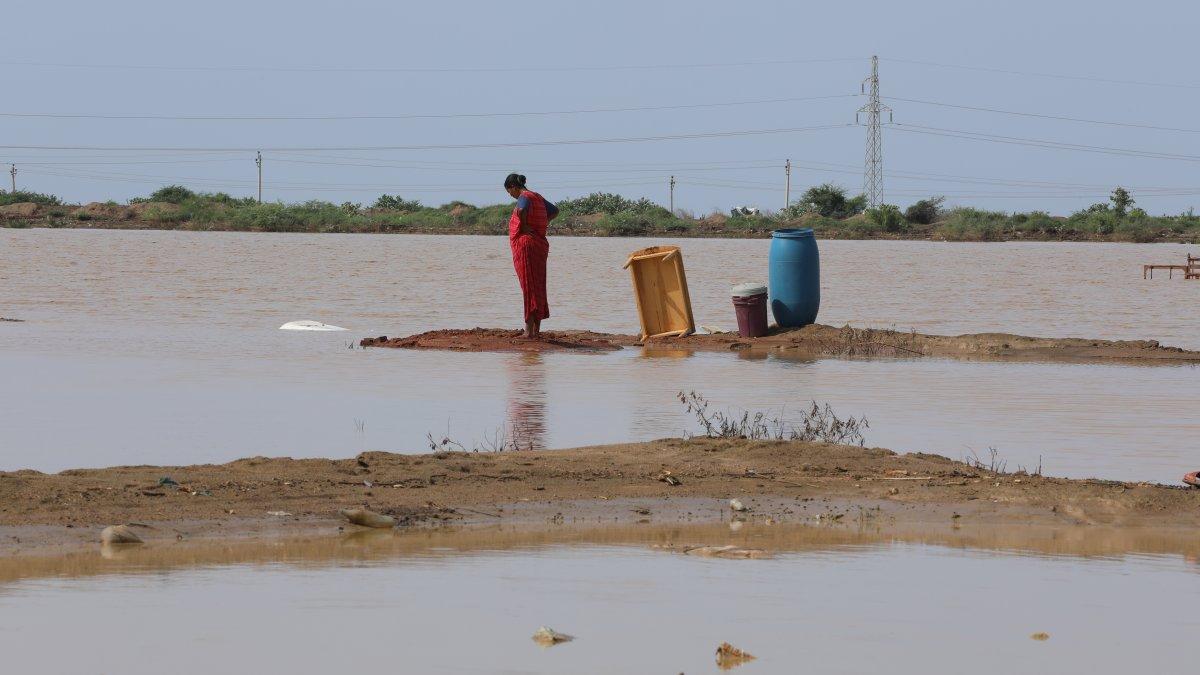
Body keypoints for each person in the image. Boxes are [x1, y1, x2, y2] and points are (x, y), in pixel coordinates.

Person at [505, 173, 557, 339]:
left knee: (529, 287)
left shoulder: (524, 196)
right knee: (538, 286)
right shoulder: (537, 197)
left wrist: (526, 225)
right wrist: (541, 223)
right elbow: (555, 210)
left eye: (509, 191)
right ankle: (535, 331)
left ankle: (528, 332)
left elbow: (521, 209)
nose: (510, 195)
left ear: (513, 186)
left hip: (527, 244)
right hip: (539, 243)